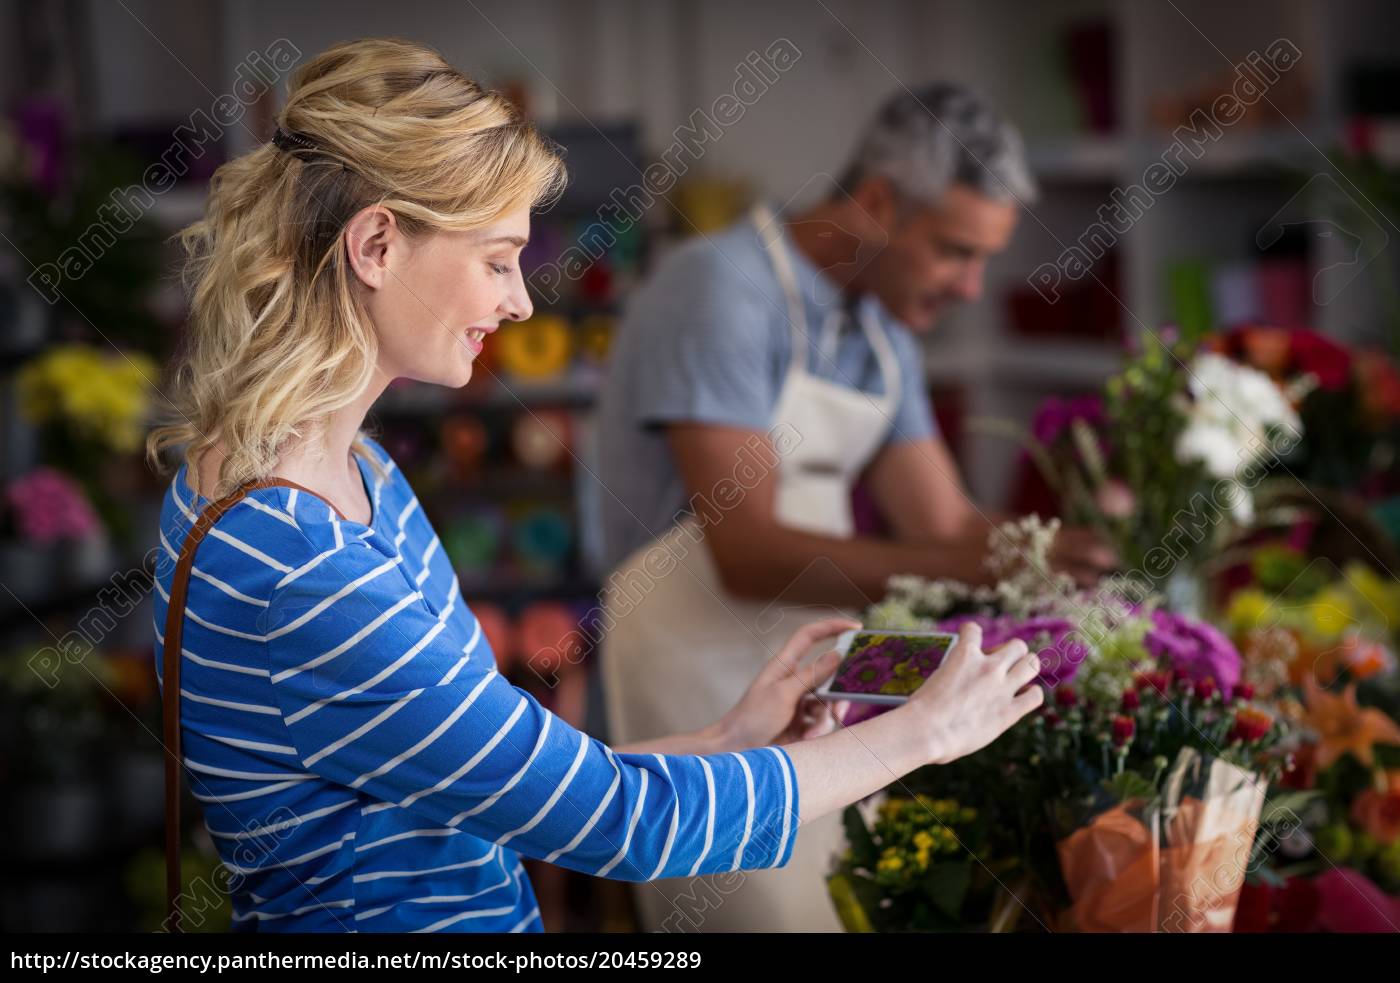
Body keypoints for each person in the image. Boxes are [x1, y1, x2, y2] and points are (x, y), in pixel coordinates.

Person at [145, 38, 1043, 933]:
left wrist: (730, 738)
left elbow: (500, 785)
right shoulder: (303, 564)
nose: (521, 301)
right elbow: (625, 823)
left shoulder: (350, 476)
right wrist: (924, 733)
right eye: (496, 259)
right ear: (377, 243)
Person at [595, 83, 1114, 931]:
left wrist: (1072, 560)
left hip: (813, 675)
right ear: (876, 203)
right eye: (954, 250)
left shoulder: (883, 336)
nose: (974, 287)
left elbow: (944, 526)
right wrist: (997, 562)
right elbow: (747, 550)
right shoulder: (719, 289)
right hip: (691, 671)